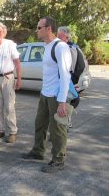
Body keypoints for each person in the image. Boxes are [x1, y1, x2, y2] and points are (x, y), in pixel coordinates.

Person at [22, 17, 72, 173]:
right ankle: (38, 151)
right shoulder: (47, 46)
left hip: (56, 96)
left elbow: (65, 75)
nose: (36, 30)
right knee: (40, 124)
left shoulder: (60, 47)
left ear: (48, 28)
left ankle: (58, 161)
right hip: (45, 93)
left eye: (39, 27)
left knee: (57, 129)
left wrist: (62, 102)